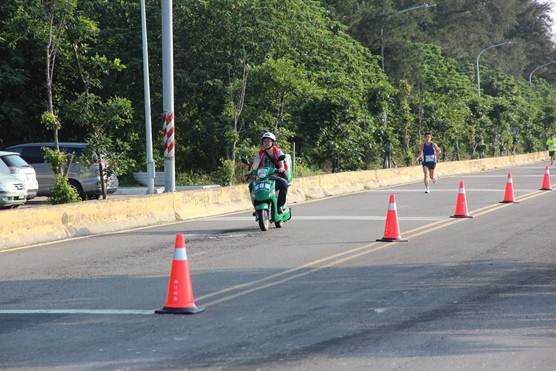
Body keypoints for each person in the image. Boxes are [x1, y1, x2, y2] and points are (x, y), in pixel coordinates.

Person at [249, 132, 289, 211]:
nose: (266, 143)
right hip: (263, 177)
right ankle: (256, 208)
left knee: (284, 184)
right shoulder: (260, 153)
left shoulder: (278, 151)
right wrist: (252, 171)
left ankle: (279, 206)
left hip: (275, 176)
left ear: (272, 142)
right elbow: (255, 165)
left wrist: (281, 168)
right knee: (251, 186)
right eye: (265, 141)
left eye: (268, 141)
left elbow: (282, 165)